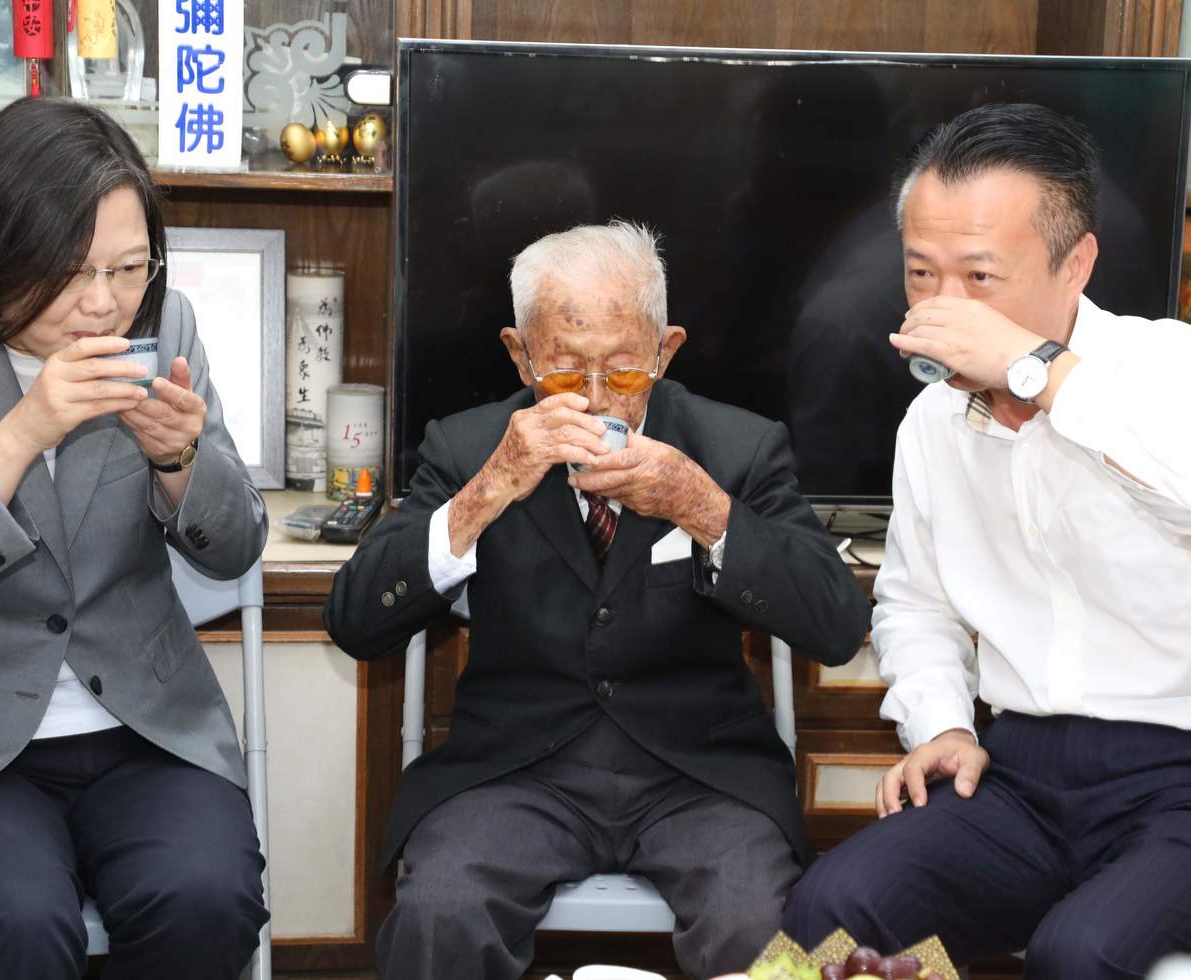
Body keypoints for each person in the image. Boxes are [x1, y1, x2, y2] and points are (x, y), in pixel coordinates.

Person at [781, 102, 1191, 976]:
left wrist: (1035, 372)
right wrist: (940, 724)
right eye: (921, 274)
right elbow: (915, 603)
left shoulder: (1187, 368)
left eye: (980, 278)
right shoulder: (932, 423)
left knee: (1084, 955)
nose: (942, 306)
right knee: (830, 914)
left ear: (1075, 263)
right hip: (1024, 778)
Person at [325, 221, 870, 980]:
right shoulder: (469, 445)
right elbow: (356, 621)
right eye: (562, 373)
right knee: (441, 909)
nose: (592, 399)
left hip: (700, 774)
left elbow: (838, 623)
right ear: (519, 353)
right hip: (516, 772)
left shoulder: (737, 446)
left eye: (621, 372)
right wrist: (489, 490)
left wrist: (704, 507)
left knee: (763, 926)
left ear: (664, 350)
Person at [0, 97, 269, 979]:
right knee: (19, 925)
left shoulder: (167, 325)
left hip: (140, 729)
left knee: (206, 899)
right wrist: (23, 430)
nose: (105, 305)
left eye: (129, 268)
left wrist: (180, 459)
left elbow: (234, 546)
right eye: (71, 273)